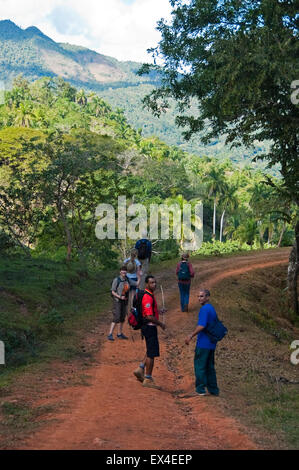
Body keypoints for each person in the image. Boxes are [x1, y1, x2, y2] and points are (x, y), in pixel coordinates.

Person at [184, 289, 219, 396]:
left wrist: (191, 335)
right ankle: (213, 390)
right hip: (211, 344)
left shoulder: (204, 309)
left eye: (202, 296)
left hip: (203, 343)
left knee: (199, 366)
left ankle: (200, 389)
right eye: (198, 296)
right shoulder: (212, 308)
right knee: (209, 366)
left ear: (208, 297)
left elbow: (202, 325)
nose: (200, 298)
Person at [133, 275, 166, 389]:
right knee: (152, 353)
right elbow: (149, 316)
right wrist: (160, 324)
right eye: (152, 283)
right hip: (149, 327)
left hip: (148, 327)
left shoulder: (150, 295)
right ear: (147, 284)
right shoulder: (148, 297)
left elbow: (151, 311)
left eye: (155, 282)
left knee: (150, 349)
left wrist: (159, 311)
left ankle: (140, 368)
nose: (154, 285)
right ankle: (148, 378)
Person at [108, 266, 130, 341]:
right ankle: (110, 334)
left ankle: (119, 334)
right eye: (122, 271)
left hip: (124, 301)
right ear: (120, 271)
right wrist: (120, 297)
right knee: (117, 316)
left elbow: (135, 283)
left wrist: (139, 277)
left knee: (122, 317)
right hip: (117, 300)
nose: (124, 272)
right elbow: (112, 291)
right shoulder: (116, 280)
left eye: (125, 271)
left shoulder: (127, 280)